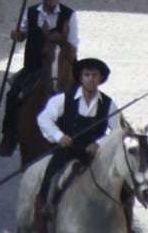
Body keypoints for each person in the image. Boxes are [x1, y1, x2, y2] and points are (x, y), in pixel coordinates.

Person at [33, 57, 116, 230]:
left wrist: (99, 143)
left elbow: (119, 131)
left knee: (119, 184)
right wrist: (59, 136)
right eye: (87, 75)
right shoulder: (64, 100)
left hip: (94, 157)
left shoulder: (108, 104)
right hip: (67, 152)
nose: (91, 79)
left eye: (94, 75)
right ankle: (42, 215)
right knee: (49, 179)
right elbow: (44, 118)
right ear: (81, 77)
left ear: (100, 78)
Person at [0, 0, 77, 156]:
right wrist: (17, 35)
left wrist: (65, 54)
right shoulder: (32, 12)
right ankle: (9, 135)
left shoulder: (70, 15)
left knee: (82, 95)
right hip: (34, 66)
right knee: (13, 95)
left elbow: (73, 43)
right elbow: (23, 33)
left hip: (62, 65)